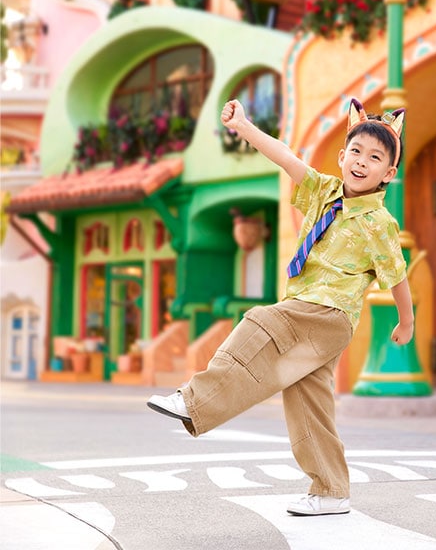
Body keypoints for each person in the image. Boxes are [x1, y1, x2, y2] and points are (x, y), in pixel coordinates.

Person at [147, 97, 413, 515]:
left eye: (376, 158)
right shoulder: (324, 190)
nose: (363, 162)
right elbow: (286, 157)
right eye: (357, 152)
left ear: (388, 173)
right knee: (308, 398)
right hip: (304, 306)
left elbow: (397, 275)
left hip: (330, 315)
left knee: (260, 318)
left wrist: (407, 321)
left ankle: (195, 400)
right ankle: (331, 491)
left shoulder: (379, 223)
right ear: (343, 156)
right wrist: (246, 127)